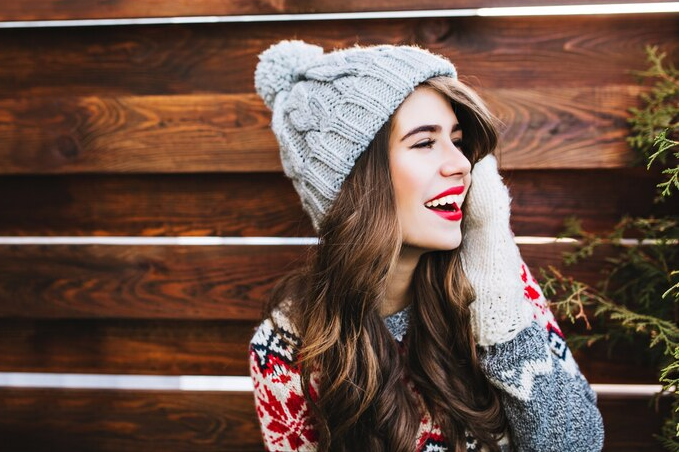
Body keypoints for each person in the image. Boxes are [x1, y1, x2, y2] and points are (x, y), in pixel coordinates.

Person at [247, 39, 604, 452]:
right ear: (356, 185)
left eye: (457, 140)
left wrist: (498, 309)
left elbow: (578, 445)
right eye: (424, 142)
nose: (461, 164)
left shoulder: (497, 278)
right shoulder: (287, 349)